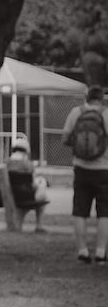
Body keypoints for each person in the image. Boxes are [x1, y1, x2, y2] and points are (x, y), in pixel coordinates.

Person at [61, 85, 108, 263]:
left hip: (81, 168)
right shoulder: (106, 114)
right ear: (102, 97)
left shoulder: (76, 112)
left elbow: (65, 139)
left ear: (87, 97)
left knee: (80, 210)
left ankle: (82, 250)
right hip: (104, 169)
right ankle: (101, 252)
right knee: (104, 212)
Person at [4, 137, 49, 232]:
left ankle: (19, 226)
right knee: (41, 188)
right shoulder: (28, 164)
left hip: (7, 196)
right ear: (26, 151)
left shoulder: (5, 162)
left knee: (27, 200)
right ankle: (39, 225)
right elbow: (32, 184)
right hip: (24, 196)